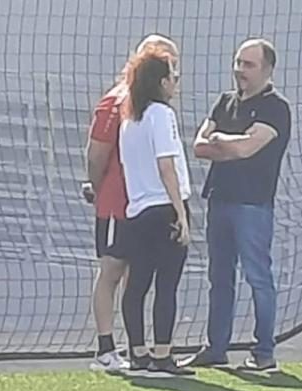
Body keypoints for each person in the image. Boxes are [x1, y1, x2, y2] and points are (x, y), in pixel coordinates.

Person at [179, 38, 291, 371]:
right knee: (219, 277)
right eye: (238, 63)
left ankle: (264, 352)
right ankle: (216, 347)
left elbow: (247, 148)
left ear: (267, 69)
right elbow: (199, 146)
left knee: (258, 277)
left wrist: (223, 141)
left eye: (248, 65)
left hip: (252, 204)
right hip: (220, 199)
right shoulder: (225, 102)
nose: (240, 70)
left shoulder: (275, 108)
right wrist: (230, 144)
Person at [82, 34, 179, 371]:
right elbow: (96, 154)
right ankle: (105, 347)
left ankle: (136, 347)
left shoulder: (156, 107)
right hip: (117, 203)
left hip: (144, 204)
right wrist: (98, 189)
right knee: (111, 269)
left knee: (137, 276)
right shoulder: (117, 102)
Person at [119, 47, 194, 376]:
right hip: (163, 207)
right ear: (162, 82)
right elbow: (167, 166)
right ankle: (163, 354)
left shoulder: (129, 120)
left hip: (138, 210)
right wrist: (181, 213)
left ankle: (138, 352)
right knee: (166, 285)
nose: (176, 82)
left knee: (137, 284)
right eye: (173, 77)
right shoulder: (161, 114)